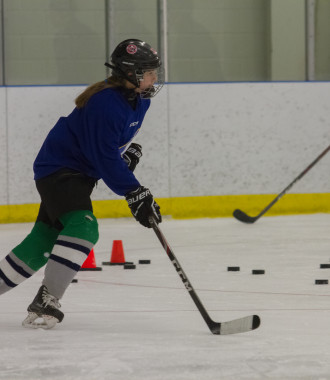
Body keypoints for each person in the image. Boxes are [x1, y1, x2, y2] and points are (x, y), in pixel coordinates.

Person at [0, 38, 164, 329]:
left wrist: (124, 156)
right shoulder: (105, 103)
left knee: (41, 242)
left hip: (77, 173)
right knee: (84, 227)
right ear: (130, 72)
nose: (154, 77)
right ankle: (47, 299)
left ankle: (43, 296)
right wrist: (134, 191)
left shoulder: (140, 101)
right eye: (148, 72)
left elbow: (104, 148)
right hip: (60, 171)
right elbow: (102, 155)